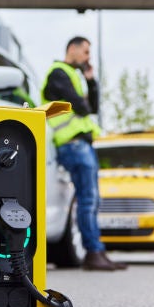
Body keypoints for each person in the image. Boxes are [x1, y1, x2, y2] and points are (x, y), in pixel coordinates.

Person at [41, 36, 126, 272]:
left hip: (81, 145)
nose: (88, 57)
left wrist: (91, 81)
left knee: (92, 199)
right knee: (88, 200)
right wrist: (84, 100)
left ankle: (97, 251)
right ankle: (93, 252)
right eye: (86, 52)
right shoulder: (58, 73)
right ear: (73, 49)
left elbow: (93, 107)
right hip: (73, 144)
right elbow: (82, 107)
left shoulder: (74, 76)